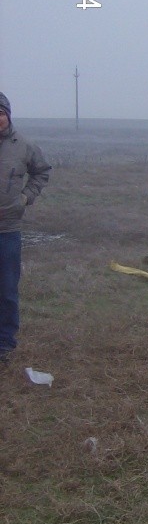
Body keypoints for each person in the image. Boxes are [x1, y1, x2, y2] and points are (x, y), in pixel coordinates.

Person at [0, 92, 51, 365]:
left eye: (1, 112)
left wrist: (25, 197)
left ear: (8, 115)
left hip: (7, 229)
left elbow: (41, 171)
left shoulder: (24, 146)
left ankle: (5, 344)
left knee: (7, 289)